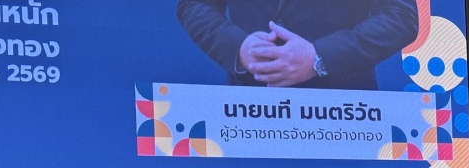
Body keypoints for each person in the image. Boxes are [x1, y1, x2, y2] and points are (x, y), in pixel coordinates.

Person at [176, 0, 418, 89]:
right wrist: (240, 47)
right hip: (245, 119)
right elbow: (194, 5)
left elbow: (400, 17)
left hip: (345, 121)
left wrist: (319, 58)